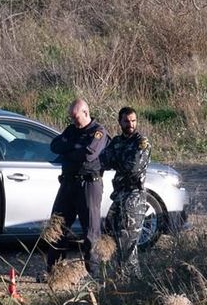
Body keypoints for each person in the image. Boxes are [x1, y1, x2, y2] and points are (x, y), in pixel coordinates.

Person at [46, 98, 109, 275]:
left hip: (88, 184)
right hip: (68, 183)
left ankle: (95, 274)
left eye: (76, 117)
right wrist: (75, 147)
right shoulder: (71, 130)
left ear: (85, 113)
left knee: (90, 232)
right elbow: (54, 146)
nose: (74, 121)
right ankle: (55, 272)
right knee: (57, 226)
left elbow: (89, 154)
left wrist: (68, 150)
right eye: (72, 118)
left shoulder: (98, 131)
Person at [100, 106, 151, 276]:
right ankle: (119, 274)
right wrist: (118, 159)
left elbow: (133, 168)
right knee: (111, 231)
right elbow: (103, 160)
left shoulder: (141, 142)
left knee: (128, 239)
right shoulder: (116, 141)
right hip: (120, 194)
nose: (131, 124)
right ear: (120, 122)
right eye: (127, 121)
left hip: (134, 195)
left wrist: (116, 160)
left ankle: (133, 278)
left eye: (133, 121)